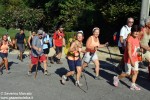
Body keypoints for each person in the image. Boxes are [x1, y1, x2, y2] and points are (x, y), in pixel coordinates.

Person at [113, 25, 141, 90]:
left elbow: (138, 48)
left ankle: (133, 85)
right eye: (135, 31)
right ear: (132, 31)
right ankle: (117, 78)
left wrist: (139, 58)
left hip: (135, 58)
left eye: (137, 31)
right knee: (128, 73)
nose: (136, 33)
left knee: (136, 72)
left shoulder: (137, 38)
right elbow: (129, 52)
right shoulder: (129, 39)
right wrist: (131, 61)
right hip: (129, 59)